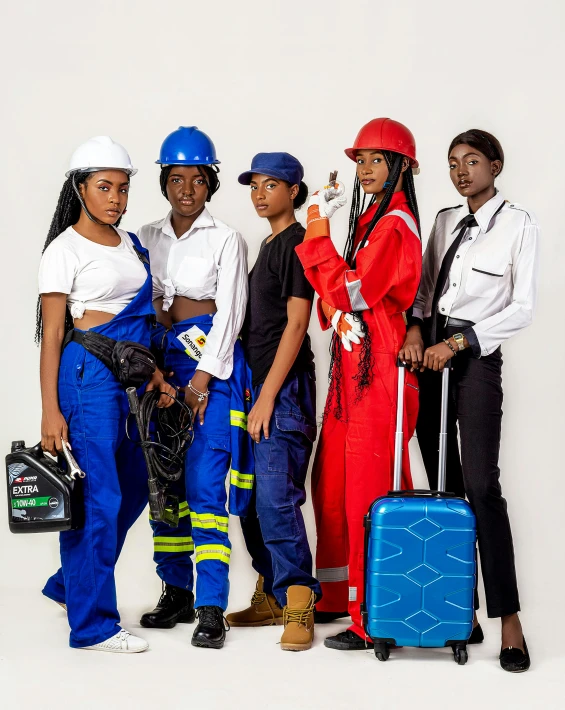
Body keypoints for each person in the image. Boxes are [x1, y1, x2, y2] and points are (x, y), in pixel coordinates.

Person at [399, 129, 537, 673]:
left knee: (482, 487)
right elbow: (425, 286)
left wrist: (456, 343)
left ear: (496, 166)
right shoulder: (443, 221)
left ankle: (510, 622)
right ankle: (461, 610)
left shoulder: (518, 225)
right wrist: (415, 330)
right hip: (428, 353)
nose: (461, 171)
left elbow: (521, 307)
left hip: (475, 357)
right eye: (454, 162)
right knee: (445, 487)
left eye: (472, 161)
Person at [39, 136, 175, 653]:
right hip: (85, 378)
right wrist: (51, 410)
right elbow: (52, 333)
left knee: (137, 485)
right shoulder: (64, 250)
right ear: (79, 189)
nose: (115, 199)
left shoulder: (131, 246)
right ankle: (93, 626)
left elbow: (140, 323)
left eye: (122, 188)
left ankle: (69, 586)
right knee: (98, 497)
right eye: (103, 187)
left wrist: (156, 377)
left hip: (132, 379)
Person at [295, 118, 422, 651]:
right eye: (360, 160)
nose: (365, 169)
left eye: (376, 159)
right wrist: (337, 305)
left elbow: (351, 288)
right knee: (332, 482)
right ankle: (332, 597)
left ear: (401, 168)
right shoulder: (370, 219)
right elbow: (338, 298)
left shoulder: (395, 224)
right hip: (352, 364)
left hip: (381, 367)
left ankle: (374, 615)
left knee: (370, 489)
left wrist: (316, 227)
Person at [138, 126, 251, 650]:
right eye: (176, 178)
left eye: (197, 179)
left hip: (208, 369)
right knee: (167, 488)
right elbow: (147, 305)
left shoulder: (227, 238)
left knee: (206, 487)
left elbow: (229, 316)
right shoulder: (146, 236)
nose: (186, 189)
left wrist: (202, 379)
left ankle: (211, 607)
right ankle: (176, 590)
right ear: (164, 181)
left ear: (211, 183)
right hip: (160, 371)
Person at [226, 153, 321, 651]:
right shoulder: (268, 244)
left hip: (282, 393)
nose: (260, 193)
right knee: (248, 500)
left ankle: (299, 602)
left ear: (294, 192)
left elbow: (298, 324)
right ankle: (271, 594)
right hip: (256, 390)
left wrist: (266, 396)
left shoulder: (298, 243)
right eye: (254, 186)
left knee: (275, 500)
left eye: (272, 185)